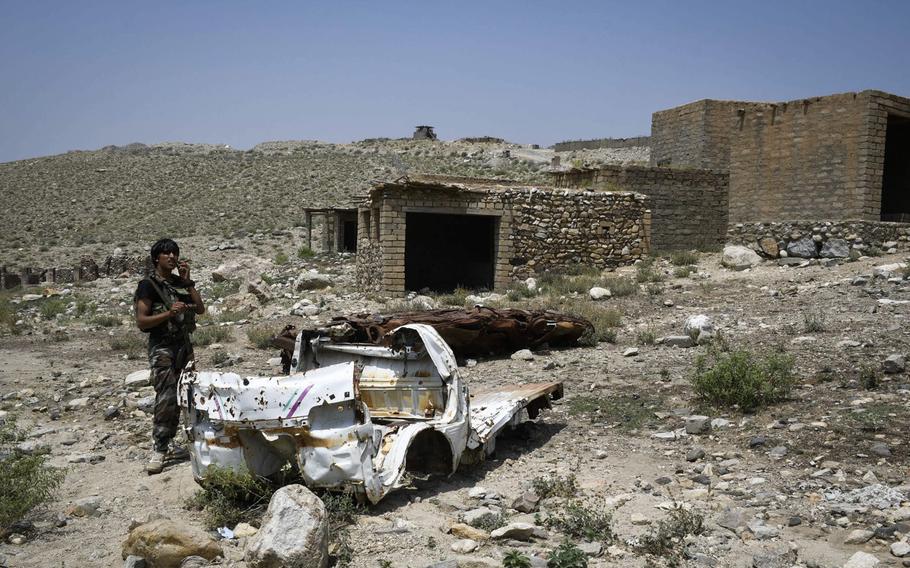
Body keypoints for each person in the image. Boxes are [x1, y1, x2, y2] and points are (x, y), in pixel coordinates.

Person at [134, 238, 205, 474]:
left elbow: (200, 308)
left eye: (175, 253)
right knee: (166, 397)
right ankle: (160, 449)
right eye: (167, 254)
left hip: (184, 347)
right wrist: (168, 313)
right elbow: (142, 321)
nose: (172, 257)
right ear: (157, 258)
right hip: (163, 348)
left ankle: (189, 441)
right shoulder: (148, 285)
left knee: (189, 394)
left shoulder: (179, 283)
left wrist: (188, 281)